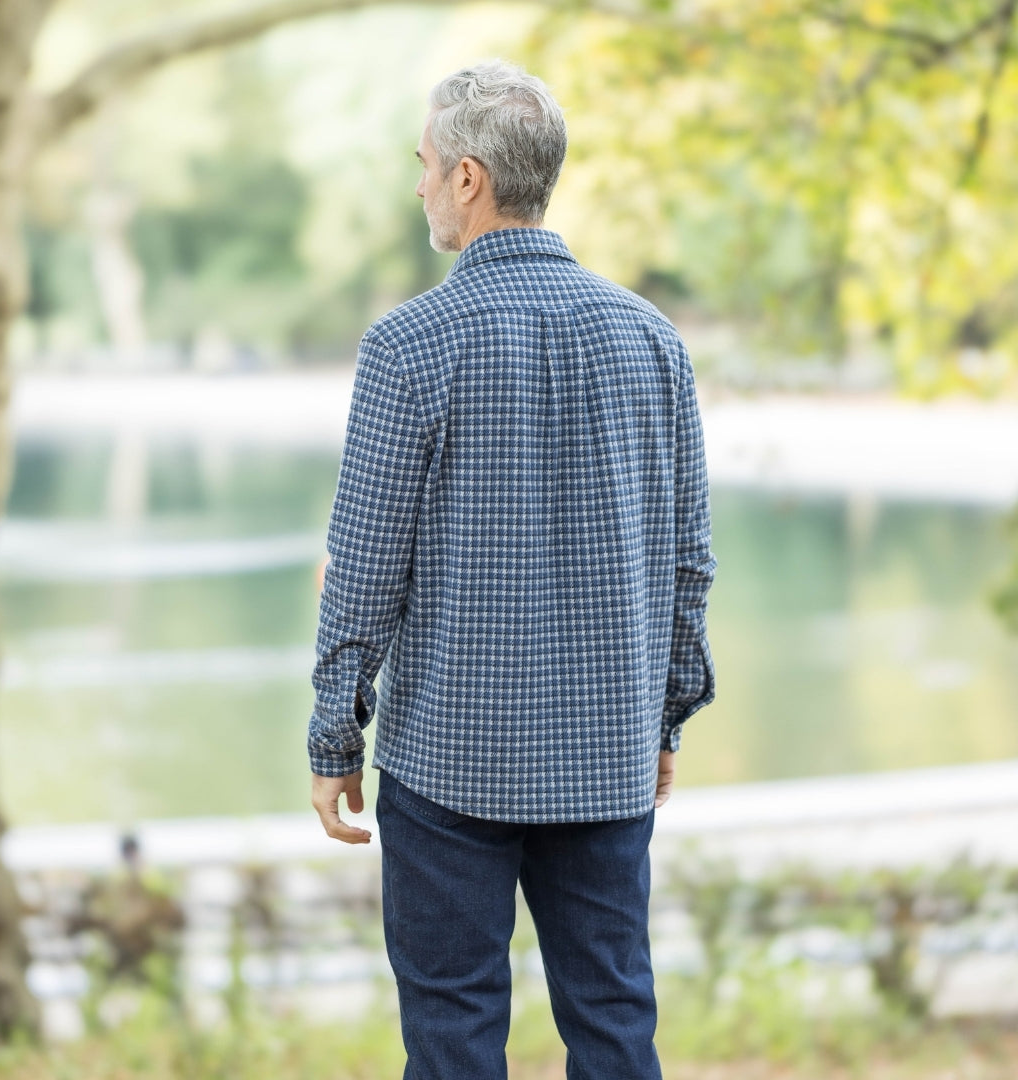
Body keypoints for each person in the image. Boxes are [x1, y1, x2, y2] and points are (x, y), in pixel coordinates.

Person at [309, 60, 715, 1080]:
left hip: (448, 764)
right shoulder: (653, 341)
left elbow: (362, 573)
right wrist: (663, 718)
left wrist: (333, 735)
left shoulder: (408, 347)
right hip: (605, 758)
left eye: (426, 164)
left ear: (470, 180)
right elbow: (688, 565)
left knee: (452, 1039)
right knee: (616, 1026)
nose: (418, 185)